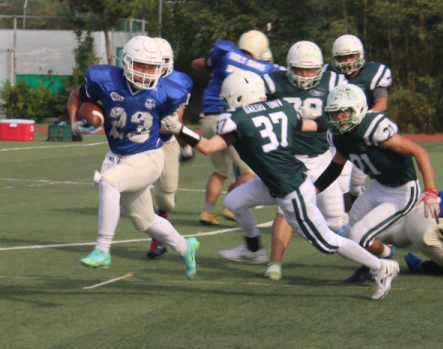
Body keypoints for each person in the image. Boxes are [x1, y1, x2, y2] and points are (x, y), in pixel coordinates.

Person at [161, 70, 400, 300]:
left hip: (290, 189)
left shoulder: (236, 119)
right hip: (279, 181)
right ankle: (254, 250)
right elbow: (319, 126)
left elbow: (208, 147)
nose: (226, 104)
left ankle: (382, 266)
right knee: (234, 201)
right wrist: (313, 115)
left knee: (327, 242)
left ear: (238, 95)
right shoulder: (283, 108)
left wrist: (180, 129)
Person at [67, 35, 199, 280]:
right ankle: (185, 247)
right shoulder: (105, 79)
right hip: (120, 157)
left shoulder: (169, 89)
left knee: (109, 182)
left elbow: (174, 124)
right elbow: (77, 95)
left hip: (148, 156)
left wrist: (177, 130)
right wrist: (76, 122)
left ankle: (102, 249)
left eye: (152, 67)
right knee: (146, 222)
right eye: (141, 65)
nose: (147, 72)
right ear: (126, 62)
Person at [314, 83, 439, 284]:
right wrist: (313, 191)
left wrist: (431, 191)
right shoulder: (339, 136)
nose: (338, 117)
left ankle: (380, 264)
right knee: (347, 237)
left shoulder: (374, 128)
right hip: (378, 185)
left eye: (344, 112)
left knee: (359, 237)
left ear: (358, 109)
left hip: (402, 191)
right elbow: (335, 167)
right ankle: (383, 255)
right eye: (334, 112)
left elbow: (419, 151)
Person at [261, 41, 346, 280]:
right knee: (284, 211)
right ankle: (274, 263)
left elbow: (347, 108)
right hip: (287, 159)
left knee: (335, 221)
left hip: (321, 158)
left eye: (311, 70)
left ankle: (368, 249)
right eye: (300, 69)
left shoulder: (334, 82)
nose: (306, 75)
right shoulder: (272, 82)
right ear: (289, 67)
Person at [191, 30, 278, 225]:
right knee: (249, 169)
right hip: (234, 118)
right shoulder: (265, 68)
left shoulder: (225, 52)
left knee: (220, 170)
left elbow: (197, 63)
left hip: (208, 117)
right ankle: (230, 207)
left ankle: (207, 212)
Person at [324, 34, 393, 214]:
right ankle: (344, 217)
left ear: (360, 55)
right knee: (340, 179)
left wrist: (362, 121)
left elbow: (381, 103)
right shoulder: (328, 74)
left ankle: (358, 214)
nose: (347, 62)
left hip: (362, 133)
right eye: (342, 57)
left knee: (356, 184)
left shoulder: (373, 73)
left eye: (351, 56)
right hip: (337, 134)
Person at [146, 37, 194, 260]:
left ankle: (160, 233)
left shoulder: (179, 82)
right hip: (136, 142)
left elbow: (174, 124)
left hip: (165, 143)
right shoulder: (129, 79)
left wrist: (186, 146)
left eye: (161, 61)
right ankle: (156, 240)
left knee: (166, 200)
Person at [378, 184, 443, 277]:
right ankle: (419, 265)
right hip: (428, 229)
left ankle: (367, 238)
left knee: (387, 236)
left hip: (426, 206)